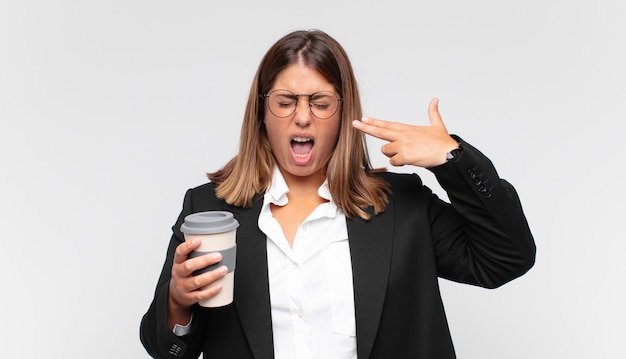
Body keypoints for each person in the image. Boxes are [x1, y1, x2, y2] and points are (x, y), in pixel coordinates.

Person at [140, 29, 536, 359]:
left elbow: (505, 258)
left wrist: (452, 159)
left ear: (343, 114)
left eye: (320, 102)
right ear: (262, 114)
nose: (302, 115)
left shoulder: (401, 206)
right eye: (285, 101)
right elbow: (165, 348)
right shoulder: (208, 209)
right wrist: (178, 300)